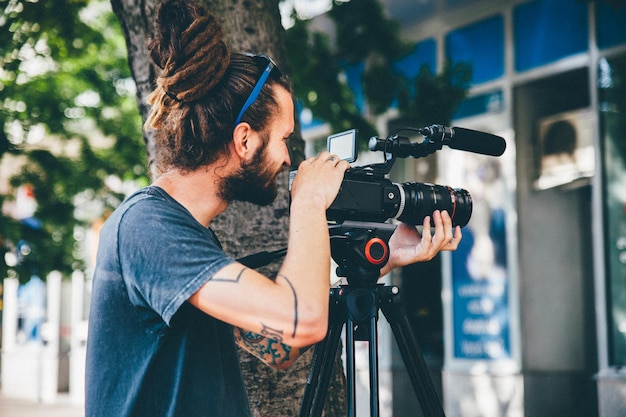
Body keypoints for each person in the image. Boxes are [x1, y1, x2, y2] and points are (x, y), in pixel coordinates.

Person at [84, 1, 462, 416]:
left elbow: (282, 345)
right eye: (284, 138)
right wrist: (311, 200)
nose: (287, 158)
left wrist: (379, 261)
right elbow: (303, 321)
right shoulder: (148, 227)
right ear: (244, 140)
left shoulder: (183, 232)